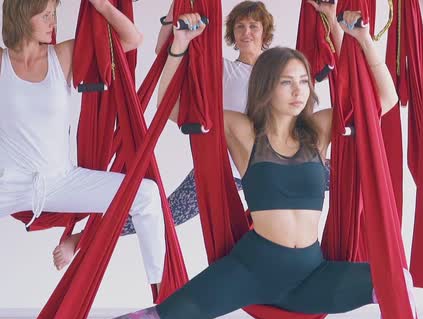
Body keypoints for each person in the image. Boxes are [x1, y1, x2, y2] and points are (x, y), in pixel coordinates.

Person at [85, 9, 416, 319]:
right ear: (266, 86)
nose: (299, 90)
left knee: (398, 283)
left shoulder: (319, 128)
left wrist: (361, 39)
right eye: (287, 82)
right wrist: (179, 46)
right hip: (250, 271)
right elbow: (171, 108)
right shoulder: (242, 130)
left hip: (312, 276)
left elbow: (384, 100)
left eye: (303, 81)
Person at [119, 0, 339, 236]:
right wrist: (174, 16)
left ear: (264, 31)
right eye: (240, 27)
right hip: (228, 169)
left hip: (283, 163)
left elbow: (349, 75)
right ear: (232, 34)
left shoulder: (285, 70)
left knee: (353, 181)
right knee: (168, 215)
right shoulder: (219, 70)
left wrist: (332, 20)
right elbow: (165, 59)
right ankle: (89, 238)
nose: (246, 33)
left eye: (253, 26)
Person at [0, 0, 166, 288]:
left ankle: (162, 291)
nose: (53, 22)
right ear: (22, 17)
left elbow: (131, 40)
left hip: (60, 180)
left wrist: (103, 6)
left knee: (147, 195)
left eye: (54, 14)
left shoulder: (63, 55)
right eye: (46, 15)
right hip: (8, 183)